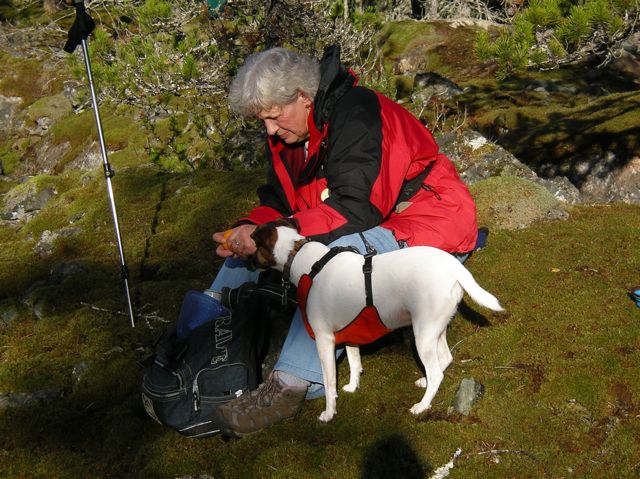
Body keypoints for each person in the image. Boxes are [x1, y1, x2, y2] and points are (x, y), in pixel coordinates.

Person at [209, 45, 478, 436]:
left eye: (273, 116)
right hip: (372, 219)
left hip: (426, 220)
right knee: (239, 256)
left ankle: (291, 384)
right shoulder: (290, 137)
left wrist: (275, 233)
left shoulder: (359, 113)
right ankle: (203, 343)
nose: (269, 130)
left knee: (333, 265)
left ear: (303, 97)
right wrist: (248, 229)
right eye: (261, 120)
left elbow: (356, 210)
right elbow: (278, 203)